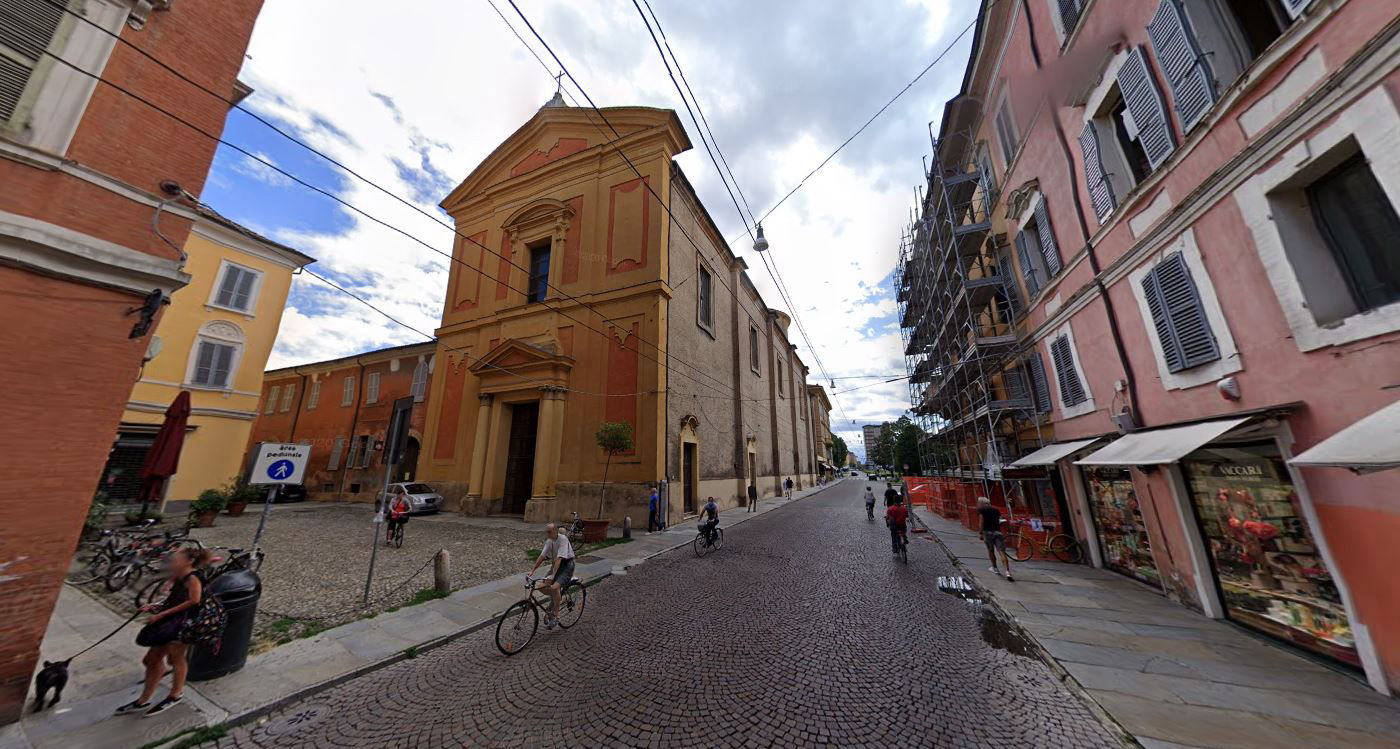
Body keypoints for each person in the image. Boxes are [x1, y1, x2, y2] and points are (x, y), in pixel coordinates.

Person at [116, 547, 211, 717]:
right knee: (151, 659)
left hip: (183, 625)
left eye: (176, 559)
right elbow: (176, 599)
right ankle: (143, 699)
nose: (172, 562)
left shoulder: (193, 576)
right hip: (170, 623)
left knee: (175, 659)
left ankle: (175, 695)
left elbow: (194, 600)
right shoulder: (181, 577)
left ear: (188, 561)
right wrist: (156, 606)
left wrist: (162, 614)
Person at [527, 523, 576, 629]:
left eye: (549, 532)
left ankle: (556, 616)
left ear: (555, 531)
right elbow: (542, 556)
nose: (547, 534)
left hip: (567, 565)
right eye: (546, 531)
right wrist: (533, 570)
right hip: (556, 565)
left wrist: (553, 575)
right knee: (541, 586)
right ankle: (559, 599)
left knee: (554, 587)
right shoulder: (549, 541)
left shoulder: (563, 539)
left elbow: (559, 558)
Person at [978, 497, 1014, 581]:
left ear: (982, 504)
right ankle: (1007, 571)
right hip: (998, 532)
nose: (978, 505)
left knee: (991, 551)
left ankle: (995, 568)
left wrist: (980, 533)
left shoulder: (982, 511)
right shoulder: (996, 510)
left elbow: (981, 522)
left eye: (979, 503)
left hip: (988, 532)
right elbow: (1000, 520)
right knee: (1002, 552)